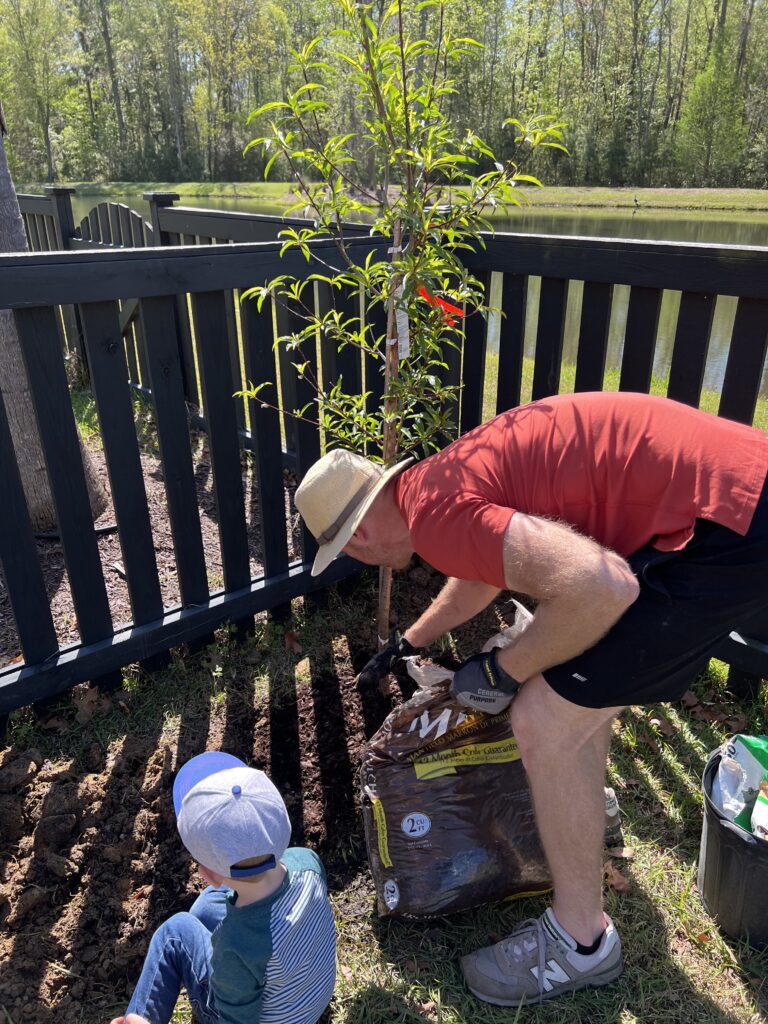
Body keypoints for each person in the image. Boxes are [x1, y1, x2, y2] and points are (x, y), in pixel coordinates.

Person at [294, 391, 768, 1007]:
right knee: (570, 706)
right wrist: (413, 639)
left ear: (360, 531)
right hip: (736, 486)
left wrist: (501, 669)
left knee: (544, 718)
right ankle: (579, 841)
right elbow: (487, 568)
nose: (361, 559)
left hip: (723, 526)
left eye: (352, 549)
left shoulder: (435, 516)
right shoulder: (440, 481)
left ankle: (581, 944)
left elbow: (603, 586)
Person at [108, 751, 336, 1024]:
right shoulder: (307, 861)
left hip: (265, 1016)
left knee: (175, 932)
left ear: (209, 874)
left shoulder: (235, 947)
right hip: (307, 995)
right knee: (205, 908)